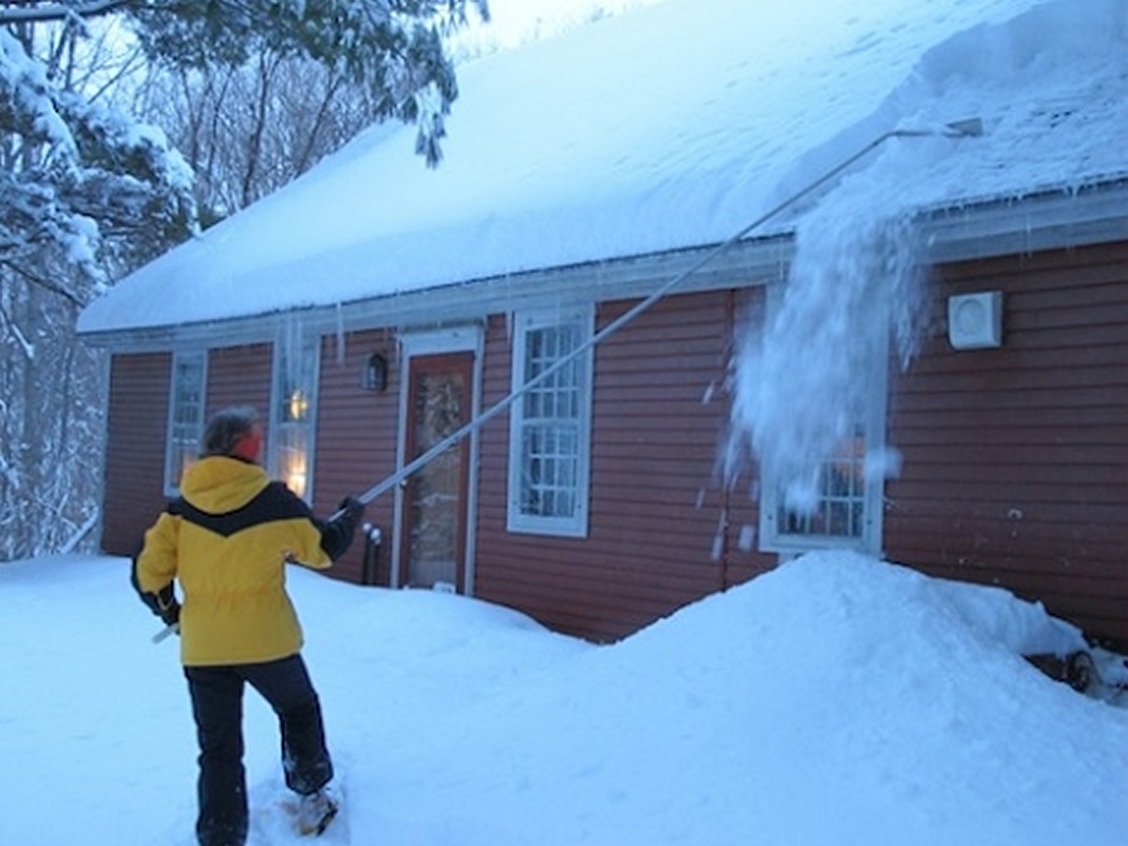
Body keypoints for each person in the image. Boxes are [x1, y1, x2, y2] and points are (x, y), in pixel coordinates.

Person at [132, 405, 365, 846]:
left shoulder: (180, 512)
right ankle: (312, 797)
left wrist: (172, 612)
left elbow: (148, 575)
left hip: (205, 649)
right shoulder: (274, 501)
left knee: (218, 748)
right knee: (298, 709)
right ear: (244, 445)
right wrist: (350, 517)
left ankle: (221, 835)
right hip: (267, 644)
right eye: (257, 438)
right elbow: (322, 549)